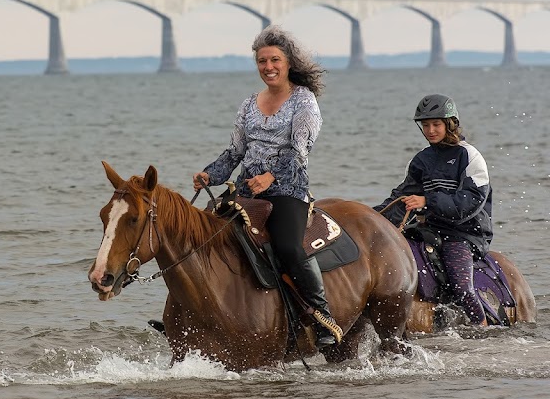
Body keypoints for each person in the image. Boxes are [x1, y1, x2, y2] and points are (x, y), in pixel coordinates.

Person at [192, 25, 341, 347]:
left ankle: (321, 316)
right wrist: (209, 174)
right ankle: (195, 315)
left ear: (288, 63)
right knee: (203, 236)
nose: (268, 67)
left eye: (274, 60)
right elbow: (235, 152)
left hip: (288, 190)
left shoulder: (305, 101)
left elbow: (300, 150)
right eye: (262, 61)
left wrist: (271, 177)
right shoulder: (248, 104)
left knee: (288, 247)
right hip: (247, 191)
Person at [375, 94, 492, 325]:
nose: (430, 130)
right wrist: (372, 219)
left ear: (450, 124)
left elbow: (470, 202)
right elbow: (401, 198)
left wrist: (427, 201)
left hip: (463, 234)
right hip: (429, 230)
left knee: (460, 287)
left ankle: (483, 327)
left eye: (436, 124)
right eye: (425, 125)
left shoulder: (469, 156)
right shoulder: (421, 160)